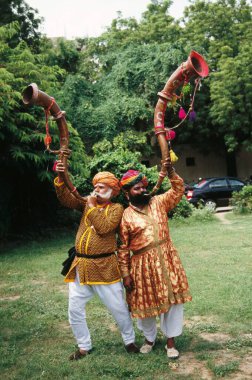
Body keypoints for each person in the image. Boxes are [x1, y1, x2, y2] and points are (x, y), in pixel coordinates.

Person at [54, 159, 139, 360]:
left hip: (105, 267)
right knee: (74, 309)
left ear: (112, 190)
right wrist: (60, 177)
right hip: (80, 266)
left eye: (101, 187)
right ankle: (84, 346)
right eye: (95, 187)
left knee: (118, 308)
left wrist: (91, 206)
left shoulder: (117, 208)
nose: (96, 190)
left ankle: (129, 341)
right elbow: (66, 199)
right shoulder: (86, 203)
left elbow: (103, 228)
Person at [118, 157, 192, 359]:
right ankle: (149, 339)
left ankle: (171, 342)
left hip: (167, 259)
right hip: (142, 265)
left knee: (173, 301)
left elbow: (178, 190)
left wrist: (171, 172)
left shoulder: (158, 201)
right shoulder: (125, 216)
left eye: (143, 187)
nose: (142, 191)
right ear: (127, 193)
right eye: (136, 189)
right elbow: (123, 248)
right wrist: (125, 274)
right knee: (145, 304)